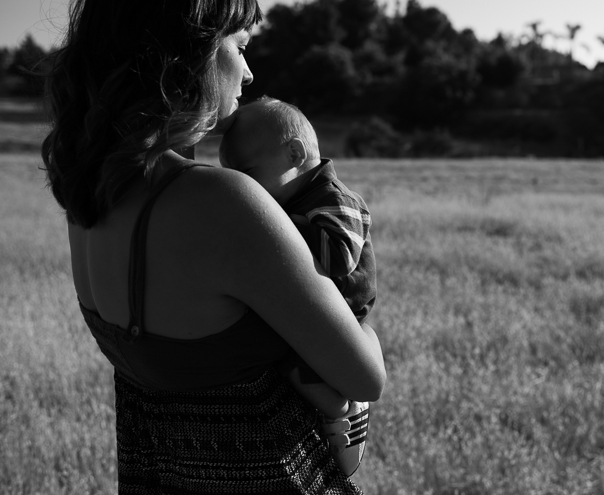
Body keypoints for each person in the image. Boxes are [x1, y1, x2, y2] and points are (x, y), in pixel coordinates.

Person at [41, 0, 385, 493]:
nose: (247, 74)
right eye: (240, 48)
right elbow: (364, 378)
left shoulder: (90, 198)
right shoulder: (226, 203)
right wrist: (360, 321)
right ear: (190, 54)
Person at [219, 97, 377, 475]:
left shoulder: (335, 198)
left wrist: (274, 228)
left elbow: (339, 257)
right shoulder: (299, 200)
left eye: (248, 172)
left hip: (340, 308)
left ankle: (343, 412)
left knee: (292, 364)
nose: (244, 187)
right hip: (313, 303)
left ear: (294, 153)